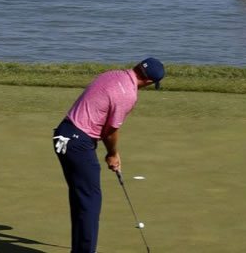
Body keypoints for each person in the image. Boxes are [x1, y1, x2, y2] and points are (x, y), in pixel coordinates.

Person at [53, 58, 165, 253]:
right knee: (90, 201)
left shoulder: (112, 74)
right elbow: (110, 131)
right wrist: (112, 154)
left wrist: (110, 152)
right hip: (78, 142)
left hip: (63, 134)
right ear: (148, 82)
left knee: (81, 197)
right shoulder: (129, 94)